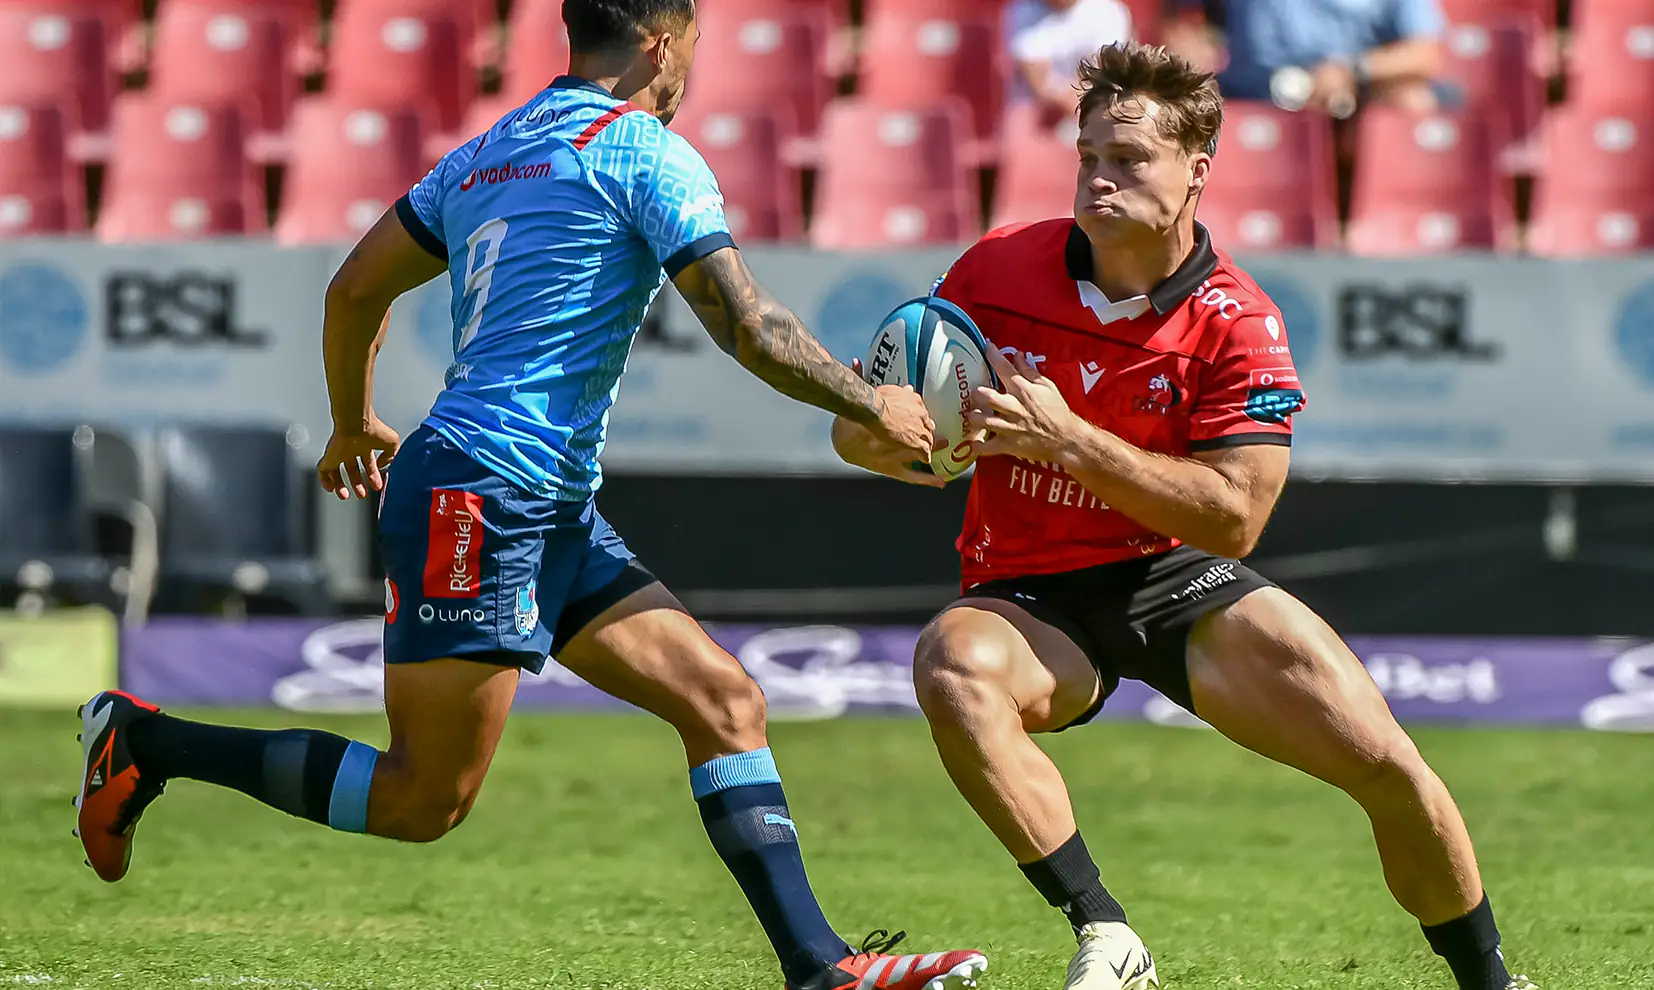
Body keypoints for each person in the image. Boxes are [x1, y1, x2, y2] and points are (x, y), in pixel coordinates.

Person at [73, 2, 991, 988]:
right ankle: (145, 742)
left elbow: (352, 290)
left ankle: (820, 968)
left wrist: (351, 420)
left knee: (723, 700)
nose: (689, 77)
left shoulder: (485, 151)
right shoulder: (645, 150)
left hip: (541, 501)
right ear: (660, 43)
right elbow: (747, 325)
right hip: (478, 491)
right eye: (692, 55)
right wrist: (873, 403)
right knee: (423, 800)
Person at [832, 42, 1533, 990]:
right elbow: (871, 434)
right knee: (952, 667)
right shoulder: (995, 268)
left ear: (1196, 170)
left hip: (1176, 576)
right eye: (1088, 157)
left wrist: (1068, 441)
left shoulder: (1238, 321)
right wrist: (894, 437)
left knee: (1391, 769)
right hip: (1029, 591)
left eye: (1129, 159)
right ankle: (1108, 935)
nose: (1100, 178)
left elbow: (1235, 520)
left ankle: (1493, 983)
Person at [1171, 0, 1448, 115]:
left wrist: (1351, 71)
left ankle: (1367, 221)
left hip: (1347, 96)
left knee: (1411, 100)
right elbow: (1181, 25)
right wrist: (1194, 48)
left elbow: (1424, 53)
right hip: (1246, 91)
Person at [1007, 0, 1135, 118]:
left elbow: (1104, 70)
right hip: (1038, 110)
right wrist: (1067, 98)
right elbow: (1037, 81)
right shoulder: (1023, 9)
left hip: (1095, 104)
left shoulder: (1109, 11)